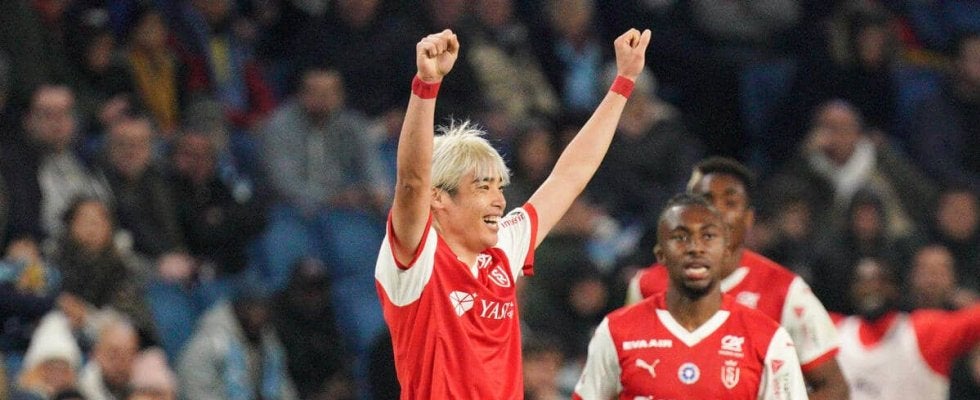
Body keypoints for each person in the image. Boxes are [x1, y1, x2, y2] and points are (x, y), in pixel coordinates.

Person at [374, 27, 650, 399]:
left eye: (499, 188)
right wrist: (426, 85)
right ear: (438, 198)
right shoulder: (416, 259)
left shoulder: (503, 246)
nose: (499, 201)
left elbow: (570, 175)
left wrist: (623, 82)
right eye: (482, 187)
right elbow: (411, 182)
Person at [626, 157, 849, 400]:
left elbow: (835, 389)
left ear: (749, 218)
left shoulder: (785, 291)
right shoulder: (647, 285)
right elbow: (618, 374)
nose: (717, 212)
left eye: (730, 203)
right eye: (706, 201)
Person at [573, 193, 808, 399]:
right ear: (661, 254)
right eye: (680, 237)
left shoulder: (768, 338)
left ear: (726, 251)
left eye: (708, 236)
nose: (695, 248)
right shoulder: (617, 331)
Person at [833, 257, 980, 399]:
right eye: (862, 281)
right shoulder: (834, 331)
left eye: (880, 281)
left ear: (895, 288)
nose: (871, 288)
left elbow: (973, 320)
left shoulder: (924, 332)